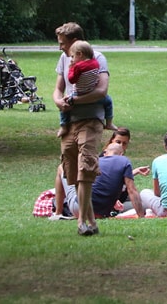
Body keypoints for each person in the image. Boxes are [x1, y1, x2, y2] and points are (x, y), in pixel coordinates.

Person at [52, 22, 112, 236]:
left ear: (74, 42)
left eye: (62, 44)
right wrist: (59, 102)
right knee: (73, 173)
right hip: (70, 123)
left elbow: (102, 91)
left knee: (85, 169)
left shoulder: (97, 58)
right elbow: (58, 89)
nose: (60, 48)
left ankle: (81, 223)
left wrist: (76, 101)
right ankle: (92, 222)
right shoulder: (64, 59)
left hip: (90, 120)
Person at [58, 143, 145, 220]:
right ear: (121, 154)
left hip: (80, 208)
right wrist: (141, 216)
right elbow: (132, 190)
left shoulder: (96, 161)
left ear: (105, 153)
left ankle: (58, 213)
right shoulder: (124, 161)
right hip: (102, 213)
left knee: (61, 167)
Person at [63, 40, 115, 131]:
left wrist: (71, 68)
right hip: (92, 93)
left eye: (73, 56)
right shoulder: (95, 62)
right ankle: (109, 123)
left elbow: (71, 80)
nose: (71, 59)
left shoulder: (77, 67)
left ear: (80, 54)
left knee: (64, 105)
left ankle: (63, 125)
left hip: (78, 94)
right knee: (108, 101)